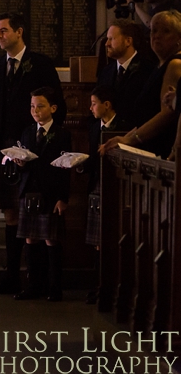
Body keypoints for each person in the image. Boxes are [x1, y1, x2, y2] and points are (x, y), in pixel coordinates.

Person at [0, 12, 65, 296]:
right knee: (10, 213)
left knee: (35, 215)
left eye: (4, 30)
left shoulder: (40, 63)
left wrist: (35, 145)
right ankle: (11, 276)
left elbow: (57, 104)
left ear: (20, 32)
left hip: (36, 149)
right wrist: (8, 148)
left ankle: (38, 279)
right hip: (7, 147)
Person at [12, 87, 72, 302]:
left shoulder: (62, 134)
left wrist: (62, 198)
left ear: (53, 108)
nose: (35, 111)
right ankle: (34, 285)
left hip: (51, 192)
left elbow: (65, 168)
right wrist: (19, 163)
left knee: (51, 239)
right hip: (30, 190)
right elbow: (24, 162)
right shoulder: (27, 132)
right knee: (31, 238)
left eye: (40, 106)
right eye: (32, 106)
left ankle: (54, 287)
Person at [101, 10, 181, 159]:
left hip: (162, 147)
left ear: (179, 38)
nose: (156, 36)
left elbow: (166, 113)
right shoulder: (160, 65)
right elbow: (148, 114)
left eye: (166, 31)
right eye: (153, 30)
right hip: (148, 143)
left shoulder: (175, 64)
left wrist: (131, 139)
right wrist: (125, 138)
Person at [83, 85, 126, 304]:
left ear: (106, 105)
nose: (90, 108)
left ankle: (108, 286)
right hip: (96, 185)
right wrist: (80, 164)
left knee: (108, 238)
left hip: (116, 188)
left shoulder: (123, 128)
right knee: (96, 241)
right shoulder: (93, 128)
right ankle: (97, 285)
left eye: (93, 103)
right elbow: (92, 157)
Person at [96, 19, 155, 125]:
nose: (106, 44)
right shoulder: (106, 72)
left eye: (111, 39)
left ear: (128, 41)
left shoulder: (148, 70)